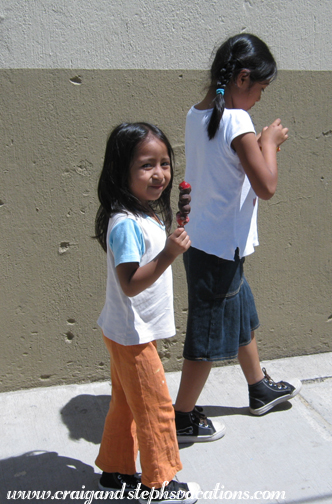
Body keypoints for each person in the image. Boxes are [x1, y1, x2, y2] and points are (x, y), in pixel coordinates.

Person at [174, 33, 302, 443]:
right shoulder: (237, 121)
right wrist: (269, 143)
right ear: (243, 78)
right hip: (217, 251)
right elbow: (265, 186)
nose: (260, 98)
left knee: (242, 314)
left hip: (206, 242)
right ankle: (182, 415)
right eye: (261, 89)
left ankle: (257, 386)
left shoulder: (198, 113)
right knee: (207, 336)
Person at [94, 122, 201, 504]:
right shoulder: (124, 224)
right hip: (131, 335)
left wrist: (177, 223)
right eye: (146, 165)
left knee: (125, 405)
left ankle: (116, 468)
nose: (159, 174)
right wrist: (170, 254)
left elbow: (156, 246)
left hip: (129, 331)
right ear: (122, 171)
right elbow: (130, 283)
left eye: (165, 164)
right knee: (155, 408)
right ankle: (160, 482)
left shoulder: (147, 214)